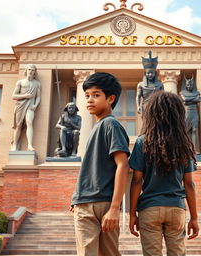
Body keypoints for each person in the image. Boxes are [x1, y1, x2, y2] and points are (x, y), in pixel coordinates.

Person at [129, 91, 199, 256]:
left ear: (151, 114)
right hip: (176, 208)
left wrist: (132, 214)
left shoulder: (142, 142)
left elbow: (136, 181)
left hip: (149, 209)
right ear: (178, 115)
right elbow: (189, 183)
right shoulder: (183, 143)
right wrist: (194, 218)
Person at [70, 72, 130, 256]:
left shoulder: (111, 125)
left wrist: (114, 208)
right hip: (85, 201)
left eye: (96, 95)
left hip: (103, 204)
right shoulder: (97, 127)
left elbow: (123, 165)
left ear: (111, 98)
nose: (89, 100)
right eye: (87, 95)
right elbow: (90, 167)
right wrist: (76, 196)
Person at [10, 64, 41, 151]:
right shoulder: (20, 82)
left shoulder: (37, 84)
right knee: (19, 125)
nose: (31, 72)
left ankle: (30, 145)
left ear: (35, 72)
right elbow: (14, 96)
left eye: (32, 70)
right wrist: (25, 96)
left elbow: (38, 96)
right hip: (20, 105)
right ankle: (15, 145)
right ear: (26, 70)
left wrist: (35, 105)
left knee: (29, 122)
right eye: (29, 70)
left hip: (31, 106)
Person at [136, 51, 164, 115]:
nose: (150, 75)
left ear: (155, 73)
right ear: (145, 74)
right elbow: (138, 96)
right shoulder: (140, 85)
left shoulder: (160, 85)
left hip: (157, 108)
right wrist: (138, 106)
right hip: (145, 107)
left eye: (152, 73)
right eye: (148, 73)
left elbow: (162, 98)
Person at [180, 74, 201, 153]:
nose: (189, 86)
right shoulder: (182, 92)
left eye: (191, 84)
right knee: (187, 130)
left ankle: (195, 149)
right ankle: (188, 148)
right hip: (187, 113)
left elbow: (198, 99)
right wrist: (193, 99)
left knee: (194, 130)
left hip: (194, 112)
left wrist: (189, 100)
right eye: (188, 84)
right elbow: (184, 99)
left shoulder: (197, 93)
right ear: (185, 85)